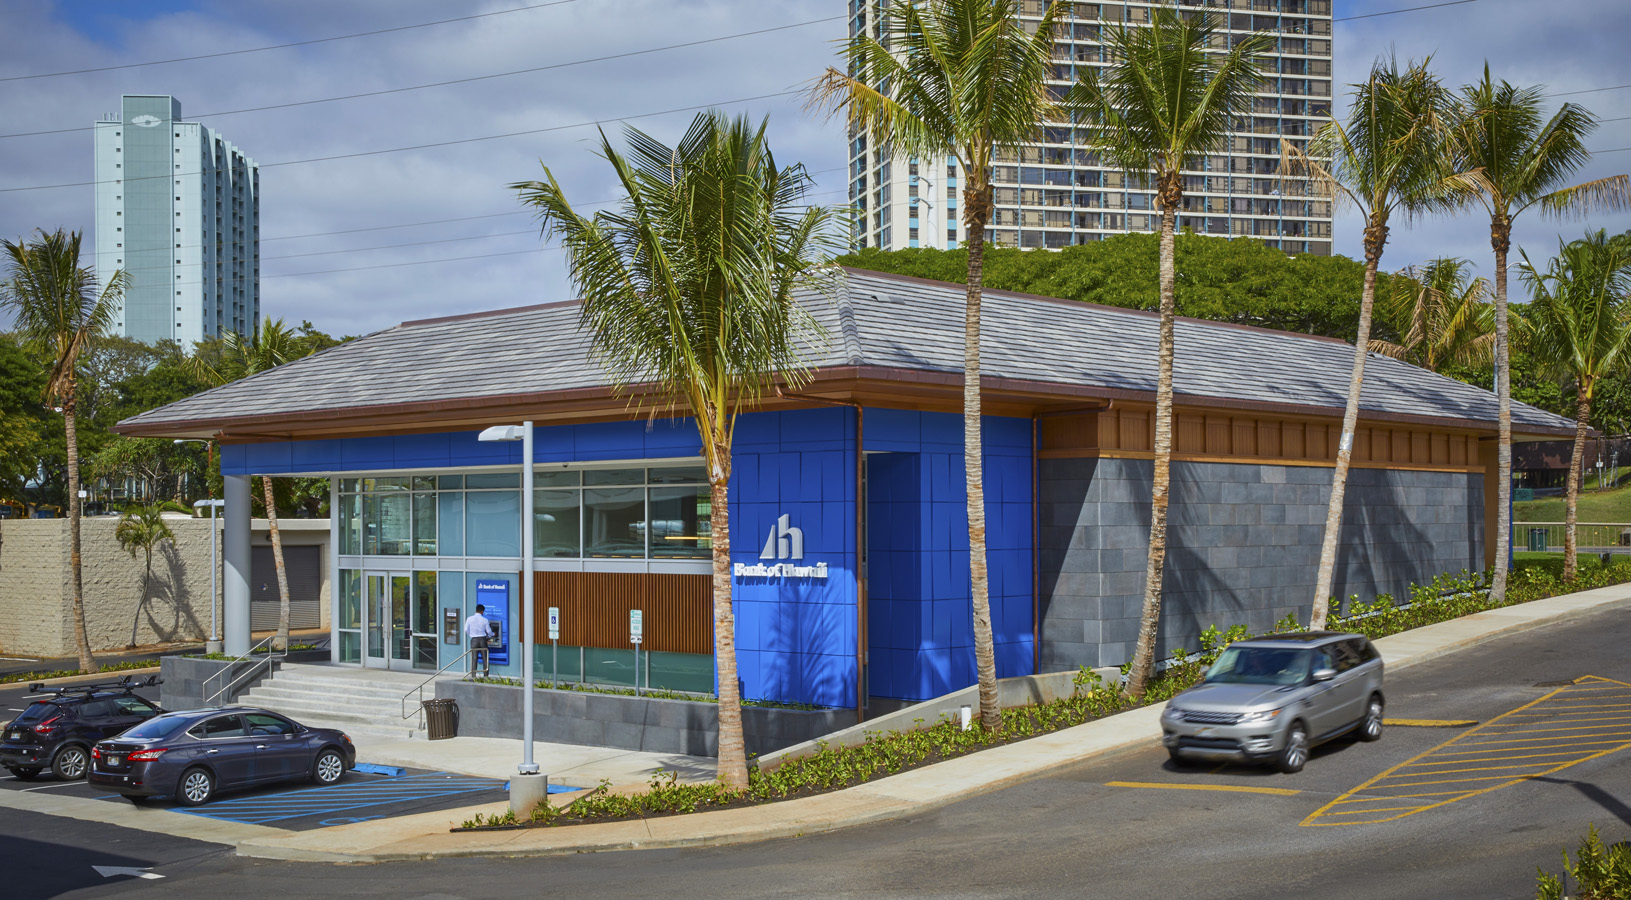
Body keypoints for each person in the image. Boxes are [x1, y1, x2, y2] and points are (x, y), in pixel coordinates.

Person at [463, 604, 493, 678]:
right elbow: (489, 631)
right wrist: (490, 636)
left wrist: (471, 634)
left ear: (476, 610)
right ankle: (486, 676)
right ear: (482, 611)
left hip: (474, 640)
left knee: (474, 658)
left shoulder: (469, 619)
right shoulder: (485, 620)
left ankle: (473, 675)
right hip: (482, 640)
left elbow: (466, 630)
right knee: (485, 658)